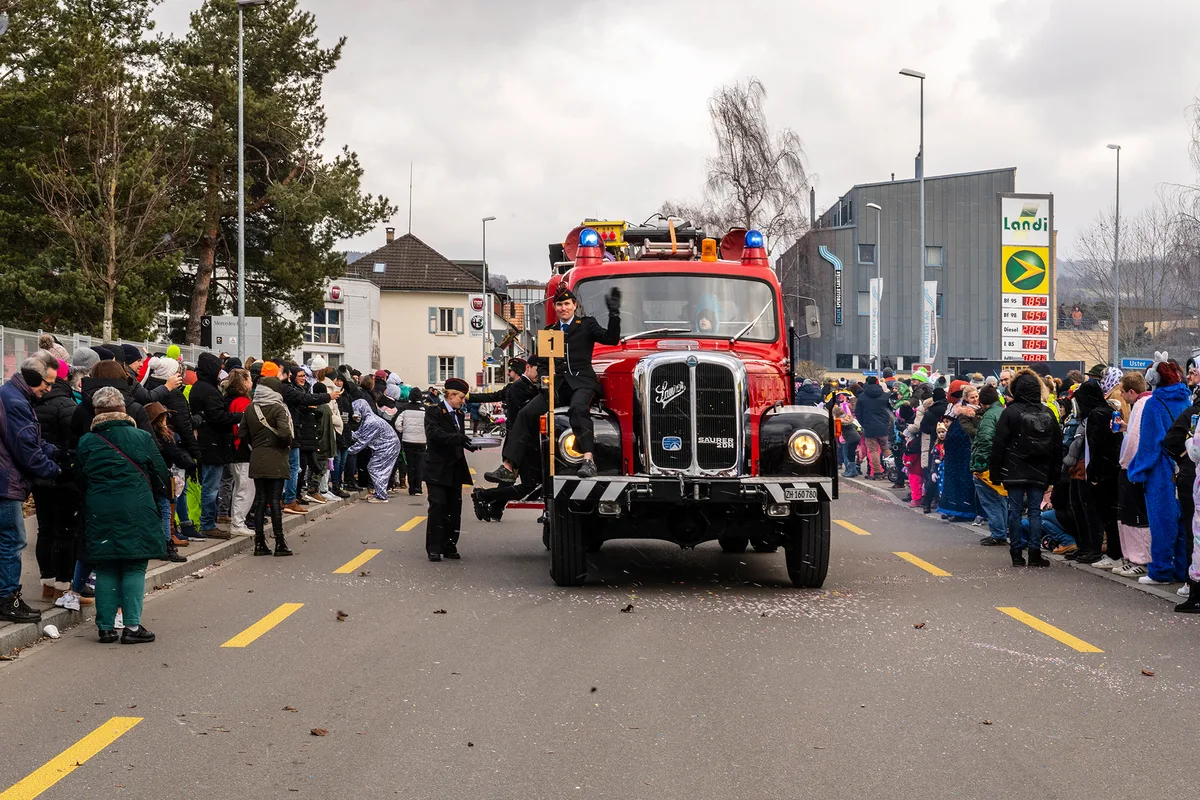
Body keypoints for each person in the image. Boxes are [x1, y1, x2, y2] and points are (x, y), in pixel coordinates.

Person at [486, 284, 620, 482]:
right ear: (555, 308)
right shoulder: (550, 331)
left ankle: (588, 460)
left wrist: (614, 315)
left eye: (566, 304)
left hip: (582, 383)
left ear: (574, 305)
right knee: (525, 414)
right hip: (557, 386)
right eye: (559, 305)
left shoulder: (587, 324)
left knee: (577, 409)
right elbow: (541, 363)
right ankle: (508, 467)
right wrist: (544, 381)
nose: (563, 308)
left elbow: (611, 339)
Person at [76, 385, 169, 643]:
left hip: (99, 507)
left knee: (105, 565)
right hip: (136, 506)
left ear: (97, 412)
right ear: (122, 409)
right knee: (134, 565)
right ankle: (131, 627)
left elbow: (79, 476)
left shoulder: (87, 441)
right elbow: (160, 472)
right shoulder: (140, 437)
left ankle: (105, 628)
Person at [0, 352, 63, 623]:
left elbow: (32, 440)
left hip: (6, 480)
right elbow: (25, 448)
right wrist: (57, 470)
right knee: (12, 541)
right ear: (33, 378)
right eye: (47, 383)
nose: (48, 389)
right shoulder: (15, 401)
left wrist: (57, 452)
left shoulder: (12, 395)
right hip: (6, 483)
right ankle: (7, 599)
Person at [990, 371, 1063, 567]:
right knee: (1034, 512)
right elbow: (1057, 445)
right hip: (1039, 469)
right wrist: (1054, 475)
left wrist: (995, 473)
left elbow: (999, 444)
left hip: (1014, 468)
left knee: (1014, 511)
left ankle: (1016, 552)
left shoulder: (1010, 413)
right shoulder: (1047, 412)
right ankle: (1034, 552)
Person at [1128, 361, 1192, 585]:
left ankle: (1161, 570)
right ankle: (1183, 569)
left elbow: (1149, 444)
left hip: (1162, 470)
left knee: (1162, 521)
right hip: (1185, 464)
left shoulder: (1154, 404)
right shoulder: (1186, 399)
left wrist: (1136, 470)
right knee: (1185, 522)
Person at [32, 357, 80, 601]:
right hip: (64, 477)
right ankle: (64, 583)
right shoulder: (67, 405)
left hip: (40, 477)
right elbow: (75, 442)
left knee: (45, 529)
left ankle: (47, 582)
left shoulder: (31, 404)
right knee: (66, 532)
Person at [243, 369, 295, 557]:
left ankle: (259, 543)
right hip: (277, 458)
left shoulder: (250, 408)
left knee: (260, 499)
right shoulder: (278, 407)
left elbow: (242, 433)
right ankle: (279, 542)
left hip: (257, 457)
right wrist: (283, 445)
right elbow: (285, 433)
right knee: (274, 500)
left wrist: (256, 445)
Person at [424, 378, 478, 561]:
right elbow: (434, 434)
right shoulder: (434, 411)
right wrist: (458, 438)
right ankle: (434, 547)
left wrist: (470, 444)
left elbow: (458, 438)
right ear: (451, 394)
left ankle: (449, 544)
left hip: (454, 467)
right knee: (438, 505)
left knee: (454, 508)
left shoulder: (459, 415)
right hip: (437, 468)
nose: (463, 401)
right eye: (461, 397)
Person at [190, 352, 242, 538]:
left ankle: (208, 522)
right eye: (219, 368)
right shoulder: (208, 390)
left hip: (211, 442)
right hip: (213, 443)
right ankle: (207, 523)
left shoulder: (202, 387)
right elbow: (218, 417)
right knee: (211, 487)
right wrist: (239, 417)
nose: (221, 372)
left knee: (211, 485)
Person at [280, 365, 336, 513]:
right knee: (296, 467)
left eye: (304, 376)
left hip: (304, 434)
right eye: (300, 376)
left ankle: (294, 496)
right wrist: (328, 397)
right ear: (291, 376)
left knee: (300, 466)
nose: (303, 378)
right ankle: (290, 498)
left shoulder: (302, 390)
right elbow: (303, 400)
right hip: (298, 433)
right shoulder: (290, 390)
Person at [1113, 372, 1153, 577]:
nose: (1121, 395)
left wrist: (1126, 463)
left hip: (1132, 467)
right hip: (1134, 466)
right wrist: (1125, 428)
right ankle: (1133, 557)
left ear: (1131, 391)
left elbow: (1136, 440)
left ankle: (1140, 558)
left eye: (1122, 391)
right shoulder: (1144, 404)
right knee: (1130, 515)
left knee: (1135, 516)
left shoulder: (1141, 405)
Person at [144, 402, 193, 563]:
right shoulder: (164, 438)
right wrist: (191, 465)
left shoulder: (149, 437)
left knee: (157, 511)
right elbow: (176, 455)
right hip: (161, 476)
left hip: (152, 477)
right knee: (165, 510)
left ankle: (160, 542)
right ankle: (167, 544)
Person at [970, 384, 1008, 546]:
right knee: (1001, 500)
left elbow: (984, 440)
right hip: (1004, 463)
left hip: (988, 464)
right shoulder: (1004, 412)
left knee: (990, 500)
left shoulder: (988, 416)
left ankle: (998, 533)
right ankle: (1003, 530)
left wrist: (978, 465)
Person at [348, 398, 401, 504]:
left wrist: (349, 451)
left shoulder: (371, 422)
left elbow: (363, 441)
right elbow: (359, 435)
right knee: (379, 469)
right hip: (387, 446)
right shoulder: (368, 419)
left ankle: (381, 495)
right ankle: (379, 492)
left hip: (388, 446)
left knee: (376, 468)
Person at [224, 368, 255, 535]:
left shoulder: (232, 399)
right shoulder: (242, 402)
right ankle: (238, 523)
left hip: (236, 448)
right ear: (243, 382)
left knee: (240, 487)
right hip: (241, 448)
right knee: (245, 488)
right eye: (249, 379)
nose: (251, 382)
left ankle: (238, 520)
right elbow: (240, 428)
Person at [397, 389, 428, 495]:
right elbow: (430, 424)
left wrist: (403, 431)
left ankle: (411, 488)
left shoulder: (405, 407)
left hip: (407, 440)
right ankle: (418, 488)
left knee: (410, 464)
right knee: (419, 464)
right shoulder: (425, 409)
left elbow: (397, 423)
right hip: (421, 440)